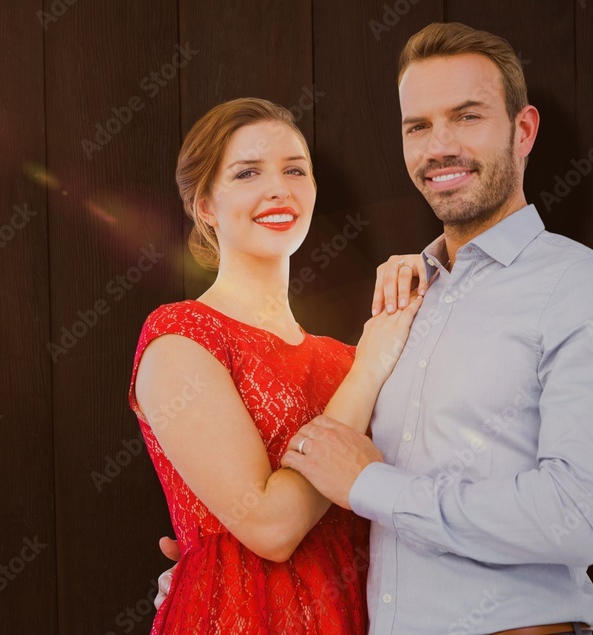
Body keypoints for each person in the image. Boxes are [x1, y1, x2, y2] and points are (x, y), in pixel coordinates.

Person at [280, 23, 593, 635]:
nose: (439, 146)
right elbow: (354, 501)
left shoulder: (584, 290)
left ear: (524, 130)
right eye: (418, 126)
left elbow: (575, 518)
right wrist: (223, 556)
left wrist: (371, 484)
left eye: (468, 116)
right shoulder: (403, 299)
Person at [128, 97, 425, 634]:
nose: (278, 189)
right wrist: (372, 366)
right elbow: (270, 528)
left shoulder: (347, 359)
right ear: (206, 207)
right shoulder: (180, 336)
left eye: (295, 170)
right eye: (247, 173)